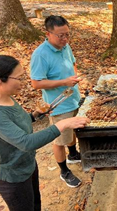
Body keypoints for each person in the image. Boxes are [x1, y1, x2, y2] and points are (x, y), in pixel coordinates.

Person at [0, 55, 90, 211]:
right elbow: (26, 142)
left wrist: (35, 115)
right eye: (18, 78)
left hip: (29, 166)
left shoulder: (8, 98)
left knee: (36, 205)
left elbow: (19, 122)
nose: (23, 83)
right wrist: (63, 124)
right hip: (13, 178)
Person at [30, 15, 83, 188]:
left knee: (73, 130)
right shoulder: (40, 55)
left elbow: (73, 63)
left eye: (67, 34)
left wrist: (74, 77)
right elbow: (36, 83)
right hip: (59, 105)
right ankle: (64, 171)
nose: (65, 39)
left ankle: (73, 154)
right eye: (61, 35)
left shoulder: (65, 46)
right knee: (60, 139)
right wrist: (63, 82)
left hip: (74, 98)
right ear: (48, 34)